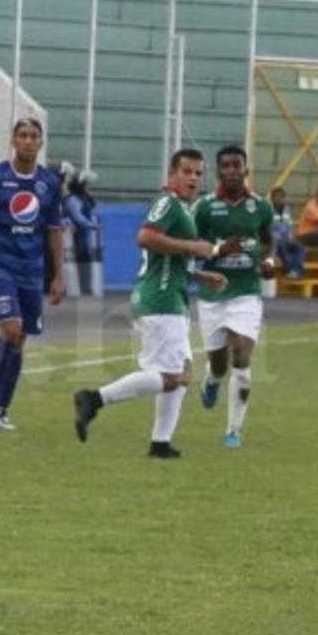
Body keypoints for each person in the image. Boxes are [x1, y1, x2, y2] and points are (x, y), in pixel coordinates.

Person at [73, 149, 235, 457]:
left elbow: (166, 258)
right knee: (171, 377)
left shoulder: (183, 209)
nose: (193, 178)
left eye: (198, 173)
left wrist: (202, 276)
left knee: (184, 373)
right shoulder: (168, 203)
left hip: (171, 295)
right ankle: (93, 399)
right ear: (172, 174)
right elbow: (145, 238)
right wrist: (195, 246)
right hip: (160, 299)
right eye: (186, 171)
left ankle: (160, 442)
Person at [0, 118, 65, 431]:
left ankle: (2, 407)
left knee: (20, 338)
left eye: (33, 136)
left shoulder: (49, 183)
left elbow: (53, 232)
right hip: (0, 265)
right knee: (11, 328)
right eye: (22, 135)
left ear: (40, 143)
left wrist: (58, 275)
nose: (27, 141)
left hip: (32, 269)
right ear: (13, 141)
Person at [191, 146, 275, 449]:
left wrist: (268, 263)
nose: (231, 170)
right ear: (218, 171)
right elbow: (193, 246)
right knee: (219, 363)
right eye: (224, 165)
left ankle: (233, 431)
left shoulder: (260, 207)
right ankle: (211, 380)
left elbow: (268, 241)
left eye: (236, 165)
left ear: (246, 170)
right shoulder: (204, 207)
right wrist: (217, 250)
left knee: (241, 354)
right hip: (213, 295)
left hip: (247, 293)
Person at [65, 171, 101, 295]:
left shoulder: (85, 198)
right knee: (81, 259)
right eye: (85, 185)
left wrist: (94, 224)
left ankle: (87, 287)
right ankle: (82, 287)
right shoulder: (73, 199)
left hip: (87, 235)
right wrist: (92, 225)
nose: (87, 188)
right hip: (78, 235)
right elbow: (78, 217)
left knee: (87, 260)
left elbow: (91, 213)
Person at [269, 187, 306, 278]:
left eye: (281, 196)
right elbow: (268, 229)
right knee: (281, 245)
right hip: (274, 242)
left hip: (287, 240)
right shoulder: (268, 210)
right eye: (276, 196)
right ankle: (289, 270)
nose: (279, 198)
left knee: (300, 246)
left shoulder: (287, 210)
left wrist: (291, 237)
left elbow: (289, 226)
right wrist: (279, 238)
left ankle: (297, 270)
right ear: (272, 198)